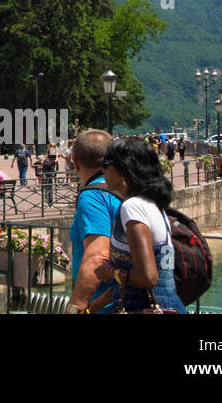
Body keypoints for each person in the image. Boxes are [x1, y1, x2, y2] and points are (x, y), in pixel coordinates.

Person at [97, 137, 188, 313]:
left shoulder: (133, 207)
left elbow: (148, 277)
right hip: (168, 306)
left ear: (122, 168)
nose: (103, 170)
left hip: (143, 308)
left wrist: (109, 272)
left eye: (106, 164)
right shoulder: (152, 205)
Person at [65, 129, 124, 313]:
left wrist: (76, 308)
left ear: (75, 161)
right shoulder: (124, 188)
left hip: (108, 307)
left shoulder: (92, 197)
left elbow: (98, 256)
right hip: (123, 299)